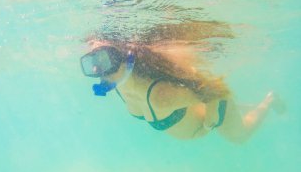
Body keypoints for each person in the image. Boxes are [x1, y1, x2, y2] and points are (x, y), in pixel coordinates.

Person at [80, 22, 285, 143]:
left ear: (124, 57)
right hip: (193, 100)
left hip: (212, 105)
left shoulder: (160, 96)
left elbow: (215, 90)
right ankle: (241, 105)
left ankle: (269, 100)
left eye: (104, 59)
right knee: (196, 99)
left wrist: (211, 120)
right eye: (92, 62)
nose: (99, 70)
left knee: (238, 138)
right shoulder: (121, 85)